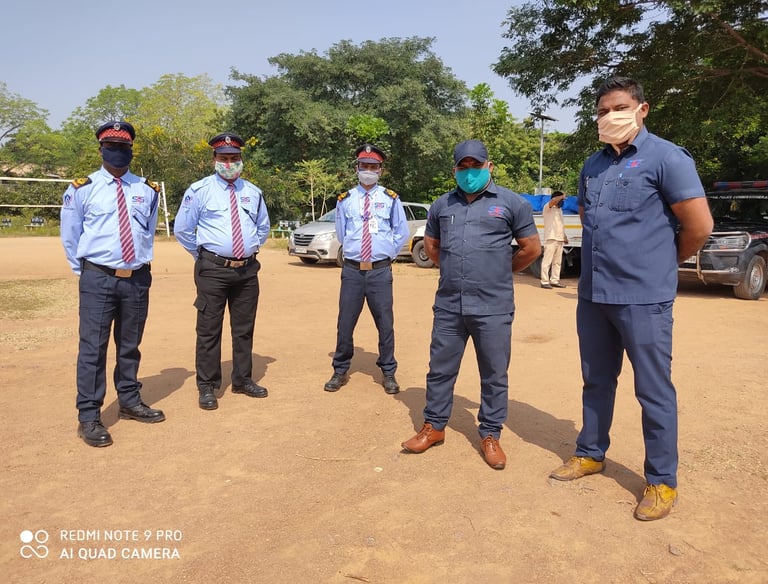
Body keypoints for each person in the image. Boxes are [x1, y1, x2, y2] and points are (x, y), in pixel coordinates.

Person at [548, 77, 714, 520]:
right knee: (596, 380)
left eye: (619, 107)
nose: (610, 117)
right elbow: (590, 217)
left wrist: (661, 263)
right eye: (602, 111)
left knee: (653, 389)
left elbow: (699, 226)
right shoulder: (593, 164)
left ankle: (662, 480)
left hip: (643, 297)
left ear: (643, 109)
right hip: (594, 295)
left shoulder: (668, 158)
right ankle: (590, 452)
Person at [401, 140, 541, 469]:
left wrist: (499, 271)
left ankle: (490, 433)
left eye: (475, 166)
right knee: (440, 369)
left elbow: (531, 248)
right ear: (454, 170)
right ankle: (434, 426)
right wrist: (454, 271)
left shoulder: (512, 203)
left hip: (493, 306)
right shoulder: (441, 205)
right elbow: (432, 246)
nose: (469, 172)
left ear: (489, 166)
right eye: (462, 167)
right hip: (450, 305)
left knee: (494, 373)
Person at [60, 121, 165, 447]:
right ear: (101, 150)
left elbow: (147, 232)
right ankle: (89, 415)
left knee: (130, 345)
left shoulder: (147, 190)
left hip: (136, 278)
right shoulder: (82, 189)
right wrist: (88, 273)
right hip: (98, 277)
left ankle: (130, 400)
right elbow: (70, 236)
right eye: (112, 147)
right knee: (93, 348)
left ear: (131, 150)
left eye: (123, 147)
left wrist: (135, 266)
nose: (118, 152)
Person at [174, 133, 271, 410]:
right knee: (208, 329)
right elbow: (182, 229)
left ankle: (242, 379)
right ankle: (207, 385)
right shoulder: (199, 190)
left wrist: (248, 249)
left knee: (244, 329)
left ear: (241, 159)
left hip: (247, 271)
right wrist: (205, 255)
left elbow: (263, 226)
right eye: (224, 158)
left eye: (234, 158)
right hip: (213, 270)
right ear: (214, 159)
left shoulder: (253, 192)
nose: (229, 163)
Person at [323, 144, 410, 395]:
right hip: (352, 271)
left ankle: (388, 371)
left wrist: (386, 254)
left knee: (385, 322)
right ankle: (340, 369)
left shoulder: (391, 199)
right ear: (357, 168)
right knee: (345, 321)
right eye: (364, 166)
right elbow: (342, 233)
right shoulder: (345, 200)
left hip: (380, 271)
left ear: (381, 170)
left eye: (373, 167)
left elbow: (401, 232)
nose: (368, 171)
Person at [540, 190, 568, 289]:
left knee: (557, 262)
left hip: (559, 239)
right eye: (561, 200)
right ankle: (544, 281)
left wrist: (564, 236)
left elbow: (560, 224)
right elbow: (553, 201)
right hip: (551, 238)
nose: (562, 202)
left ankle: (555, 280)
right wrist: (562, 196)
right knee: (547, 261)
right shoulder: (548, 207)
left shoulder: (559, 210)